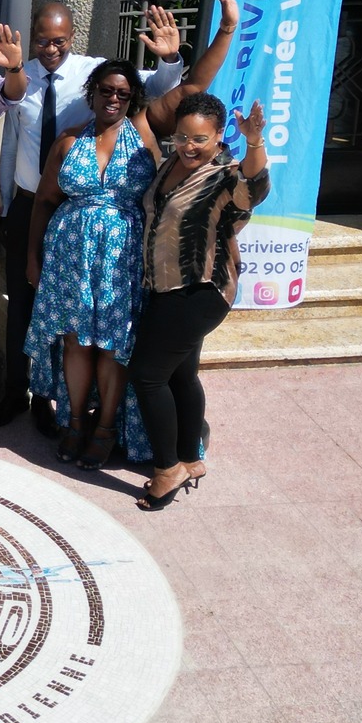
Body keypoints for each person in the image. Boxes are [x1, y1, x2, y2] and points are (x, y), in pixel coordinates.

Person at [25, 0, 240, 470]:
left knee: (114, 345)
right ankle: (75, 422)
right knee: (76, 342)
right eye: (106, 91)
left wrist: (226, 29)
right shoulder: (69, 141)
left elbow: (194, 86)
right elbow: (44, 202)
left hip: (124, 260)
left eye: (123, 93)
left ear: (132, 98)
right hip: (70, 259)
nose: (114, 99)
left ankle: (105, 429)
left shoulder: (143, 127)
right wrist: (34, 259)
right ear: (92, 93)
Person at [0, 1, 185, 432]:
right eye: (42, 40)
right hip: (31, 201)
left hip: (80, 206)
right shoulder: (20, 75)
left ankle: (49, 400)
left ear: (73, 37)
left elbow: (157, 88)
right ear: (32, 37)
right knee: (22, 302)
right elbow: (11, 140)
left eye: (59, 41)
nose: (50, 49)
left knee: (73, 314)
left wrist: (170, 58)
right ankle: (15, 391)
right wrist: (2, 196)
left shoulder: (95, 74)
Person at [133, 94, 270, 511]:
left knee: (147, 376)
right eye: (182, 137)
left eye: (199, 139)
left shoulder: (225, 174)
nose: (189, 147)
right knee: (181, 374)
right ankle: (191, 458)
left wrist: (254, 142)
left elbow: (255, 188)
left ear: (218, 136)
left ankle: (167, 468)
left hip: (199, 289)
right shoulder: (170, 164)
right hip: (165, 286)